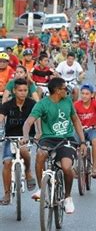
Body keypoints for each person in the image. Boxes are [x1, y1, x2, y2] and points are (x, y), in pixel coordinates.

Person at [22, 77, 88, 214]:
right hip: (48, 139)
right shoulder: (42, 104)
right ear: (57, 91)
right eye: (65, 89)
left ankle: (68, 197)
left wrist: (82, 141)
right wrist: (26, 136)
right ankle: (41, 189)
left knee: (66, 167)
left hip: (66, 139)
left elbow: (76, 121)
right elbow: (29, 122)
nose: (67, 91)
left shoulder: (68, 102)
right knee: (40, 154)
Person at [0, 79, 39, 205]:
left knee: (23, 151)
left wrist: (39, 133)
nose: (23, 93)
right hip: (10, 137)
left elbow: (37, 119)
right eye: (20, 90)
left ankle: (28, 171)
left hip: (27, 137)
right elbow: (1, 118)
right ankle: (6, 193)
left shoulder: (32, 104)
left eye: (25, 90)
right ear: (14, 91)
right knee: (7, 162)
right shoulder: (6, 105)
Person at [74, 84, 96, 178]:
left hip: (92, 128)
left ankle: (95, 168)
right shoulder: (76, 104)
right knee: (73, 143)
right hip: (80, 129)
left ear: (92, 95)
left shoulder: (95, 103)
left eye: (87, 94)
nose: (84, 96)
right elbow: (73, 118)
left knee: (95, 141)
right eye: (82, 93)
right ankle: (76, 165)